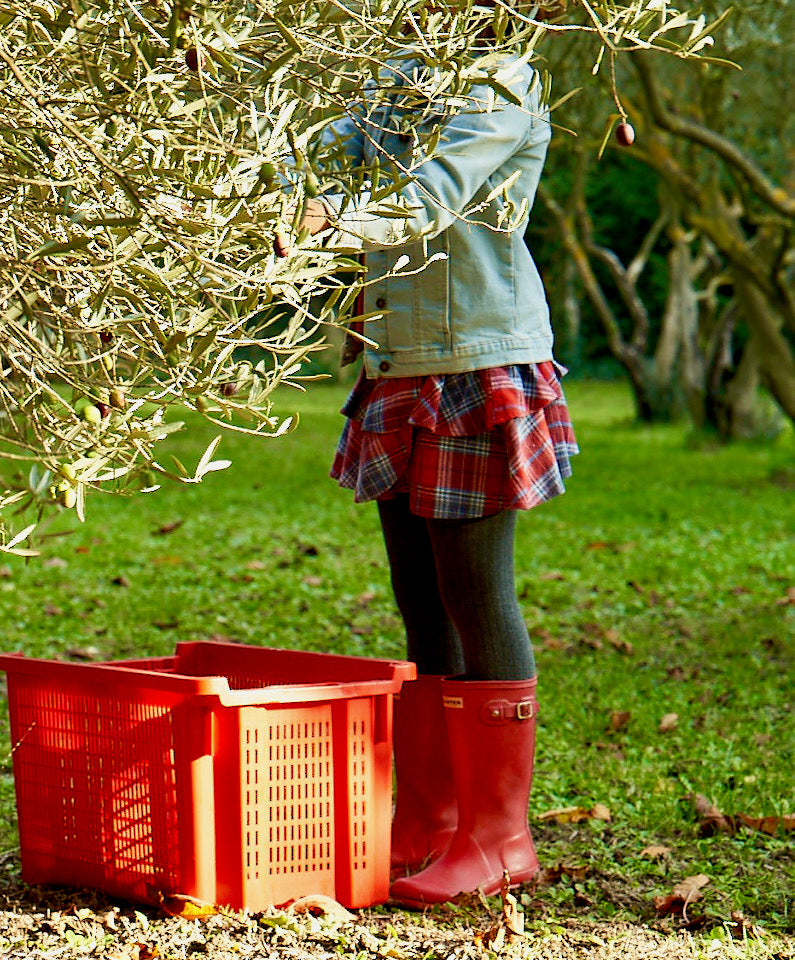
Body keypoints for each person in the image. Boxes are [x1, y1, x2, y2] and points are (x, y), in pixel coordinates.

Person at [299, 8, 576, 908]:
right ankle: (428, 820)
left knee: (473, 594)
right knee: (421, 604)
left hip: (474, 363)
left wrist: (313, 220)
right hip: (397, 363)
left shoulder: (500, 81)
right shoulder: (396, 72)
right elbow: (327, 152)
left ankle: (498, 840)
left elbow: (425, 199)